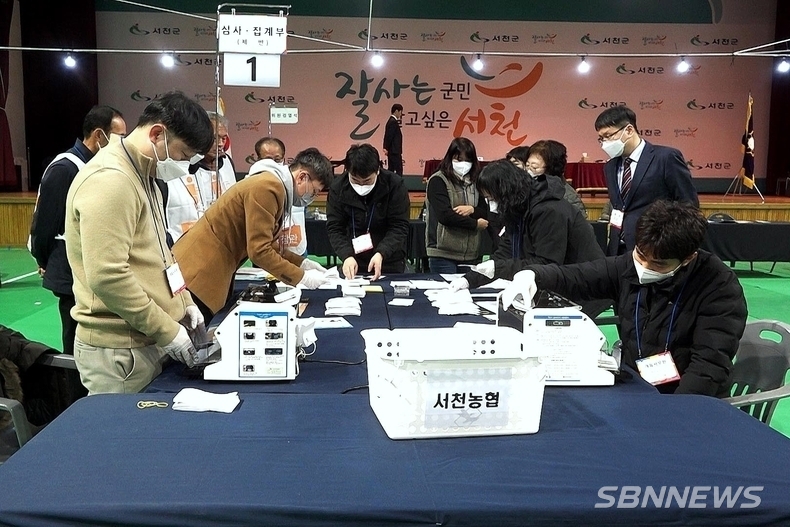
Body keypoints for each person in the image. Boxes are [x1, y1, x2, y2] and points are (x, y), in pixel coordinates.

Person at [501, 200, 747, 397]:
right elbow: (578, 276)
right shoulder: (629, 265)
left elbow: (708, 367)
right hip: (637, 384)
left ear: (688, 258)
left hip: (686, 397)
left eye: (658, 264)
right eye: (641, 255)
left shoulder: (719, 286)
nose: (644, 267)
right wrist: (533, 276)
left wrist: (673, 412)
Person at [65, 91, 214, 394]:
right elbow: (108, 276)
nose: (184, 165)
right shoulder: (111, 180)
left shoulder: (145, 176)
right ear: (157, 134)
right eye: (183, 155)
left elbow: (161, 254)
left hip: (145, 341)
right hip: (120, 351)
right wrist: (167, 330)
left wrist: (184, 302)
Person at [173, 148, 334, 320]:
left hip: (207, 268)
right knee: (189, 331)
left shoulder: (273, 184)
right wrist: (302, 278)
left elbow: (267, 243)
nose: (312, 197)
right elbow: (259, 251)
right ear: (302, 177)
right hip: (199, 271)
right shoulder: (268, 187)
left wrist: (302, 263)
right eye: (314, 192)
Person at [452, 159, 607, 317]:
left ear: (506, 193)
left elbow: (546, 262)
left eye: (492, 199)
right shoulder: (517, 209)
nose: (491, 205)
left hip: (584, 289)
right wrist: (469, 279)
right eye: (487, 199)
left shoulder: (548, 211)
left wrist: (498, 268)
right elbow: (505, 252)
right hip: (557, 286)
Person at [30, 105, 127, 356]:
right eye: (119, 137)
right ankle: (73, 382)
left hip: (90, 269)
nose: (123, 144)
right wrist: (44, 260)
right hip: (69, 272)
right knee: (75, 343)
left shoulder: (97, 166)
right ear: (99, 135)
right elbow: (44, 224)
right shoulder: (65, 168)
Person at [594, 105, 698, 255]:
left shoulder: (665, 158)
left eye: (608, 136)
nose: (605, 143)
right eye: (601, 138)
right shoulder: (610, 167)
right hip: (617, 250)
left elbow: (688, 205)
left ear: (629, 130)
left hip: (655, 248)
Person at [326, 143, 410, 280]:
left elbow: (399, 226)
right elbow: (335, 228)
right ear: (347, 171)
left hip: (389, 261)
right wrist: (346, 255)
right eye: (355, 180)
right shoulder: (338, 188)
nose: (361, 185)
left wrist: (381, 253)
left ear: (378, 171)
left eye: (367, 181)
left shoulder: (394, 185)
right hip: (353, 262)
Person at [160, 112, 237, 245]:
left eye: (223, 138)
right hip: (180, 245)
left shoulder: (227, 163)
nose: (220, 144)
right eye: (214, 139)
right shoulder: (173, 167)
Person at [425, 137, 489, 273]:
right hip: (443, 254)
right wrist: (475, 224)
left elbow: (485, 211)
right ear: (450, 158)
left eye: (468, 160)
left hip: (471, 254)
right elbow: (445, 216)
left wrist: (472, 209)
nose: (463, 164)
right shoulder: (438, 180)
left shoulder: (476, 181)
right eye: (459, 160)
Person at [254, 137, 307, 257]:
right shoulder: (253, 183)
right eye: (268, 160)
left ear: (284, 158)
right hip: (266, 250)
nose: (273, 164)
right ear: (258, 159)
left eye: (277, 159)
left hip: (295, 244)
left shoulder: (294, 181)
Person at [526, 140, 587, 218]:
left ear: (551, 169)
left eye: (535, 167)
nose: (529, 171)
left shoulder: (568, 197)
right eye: (527, 165)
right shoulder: (527, 189)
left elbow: (579, 223)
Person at [383, 103, 404, 175]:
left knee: (391, 169)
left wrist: (386, 147)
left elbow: (387, 135)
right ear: (396, 111)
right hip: (394, 151)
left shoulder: (391, 121)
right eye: (400, 112)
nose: (401, 114)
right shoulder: (393, 122)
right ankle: (397, 182)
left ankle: (391, 182)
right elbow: (389, 136)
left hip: (392, 150)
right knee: (398, 169)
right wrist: (386, 148)